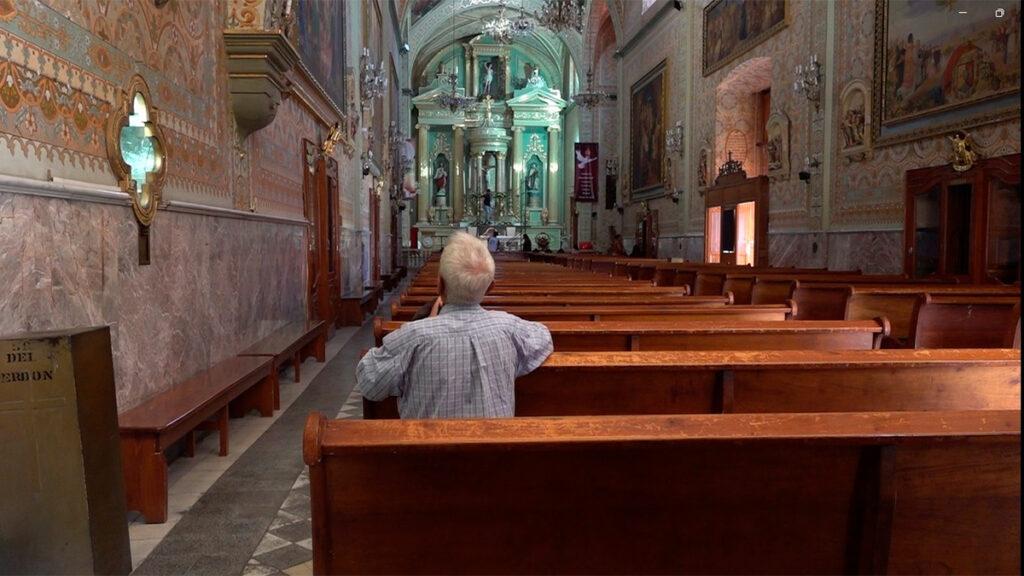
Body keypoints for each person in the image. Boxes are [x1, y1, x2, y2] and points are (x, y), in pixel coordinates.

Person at [357, 231, 553, 418]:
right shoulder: (509, 328)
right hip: (495, 452)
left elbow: (369, 382)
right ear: (490, 287)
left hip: (428, 452)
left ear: (439, 285)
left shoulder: (413, 337)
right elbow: (543, 336)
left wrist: (429, 326)